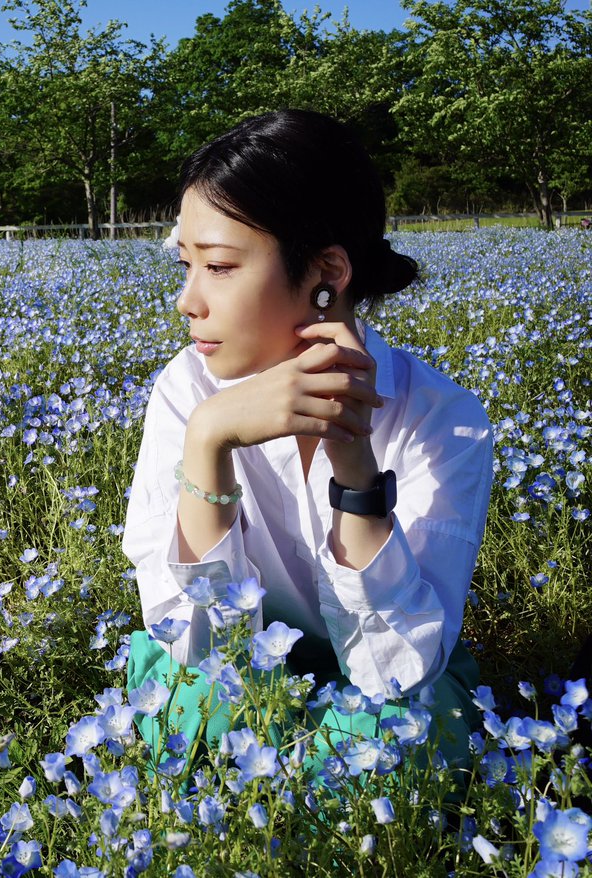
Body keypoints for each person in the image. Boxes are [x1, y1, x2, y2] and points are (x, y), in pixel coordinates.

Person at [122, 109, 494, 772]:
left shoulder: (448, 421)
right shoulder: (185, 392)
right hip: (230, 674)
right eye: (186, 264)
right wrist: (210, 438)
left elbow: (397, 672)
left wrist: (355, 471)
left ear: (327, 271)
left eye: (220, 267)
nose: (187, 300)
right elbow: (195, 648)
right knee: (189, 713)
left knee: (399, 735)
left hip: (382, 686)